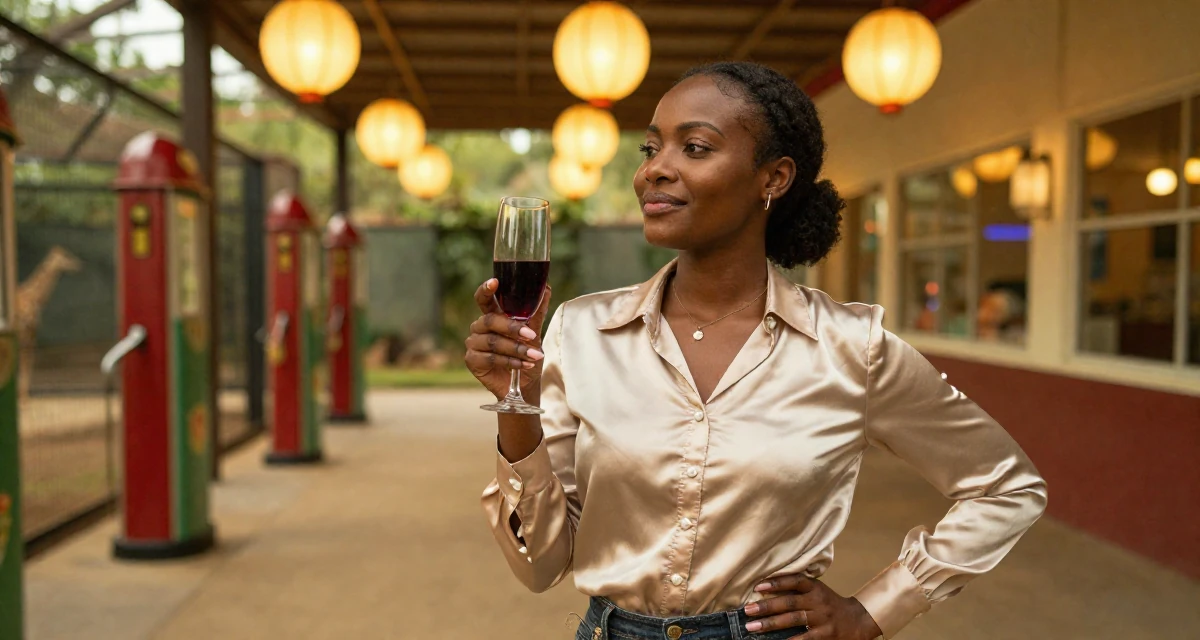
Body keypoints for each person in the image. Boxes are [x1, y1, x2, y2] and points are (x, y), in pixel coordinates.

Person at [466, 62, 1047, 640]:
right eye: (650, 148)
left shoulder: (850, 347)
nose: (654, 171)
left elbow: (1008, 488)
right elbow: (540, 565)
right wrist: (518, 406)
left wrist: (872, 611)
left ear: (773, 178)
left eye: (694, 147)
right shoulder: (582, 331)